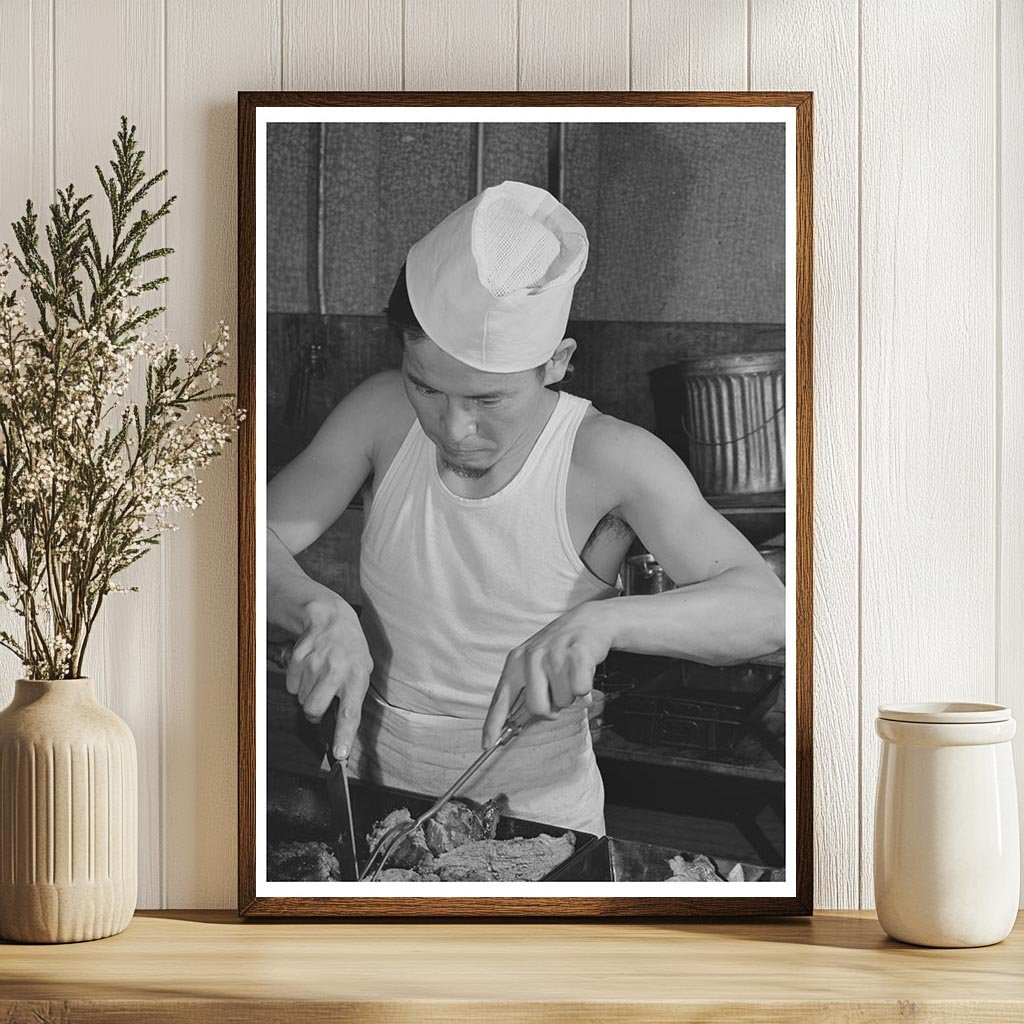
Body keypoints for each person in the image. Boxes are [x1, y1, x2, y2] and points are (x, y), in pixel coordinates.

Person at [267, 180, 785, 834]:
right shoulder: (377, 415)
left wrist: (603, 625)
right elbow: (242, 539)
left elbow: (768, 612)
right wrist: (313, 606)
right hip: (372, 805)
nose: (452, 429)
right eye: (425, 386)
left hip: (540, 827)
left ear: (557, 363)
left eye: (487, 401)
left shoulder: (611, 459)